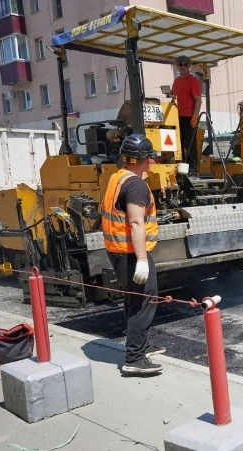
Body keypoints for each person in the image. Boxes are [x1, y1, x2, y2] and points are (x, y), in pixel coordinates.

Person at [100, 134, 165, 374]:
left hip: (118, 250)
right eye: (150, 158)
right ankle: (135, 358)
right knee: (142, 302)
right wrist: (141, 260)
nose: (152, 162)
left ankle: (142, 345)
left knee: (134, 299)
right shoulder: (136, 185)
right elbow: (137, 223)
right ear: (144, 159)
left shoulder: (118, 177)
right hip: (130, 253)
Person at [171, 55, 202, 175]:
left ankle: (193, 168)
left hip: (189, 116)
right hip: (177, 116)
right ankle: (183, 166)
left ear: (189, 66)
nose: (182, 66)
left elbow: (198, 100)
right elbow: (174, 97)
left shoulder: (192, 80)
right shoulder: (176, 81)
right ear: (177, 66)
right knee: (179, 142)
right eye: (180, 64)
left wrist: (195, 116)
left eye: (185, 64)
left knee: (190, 142)